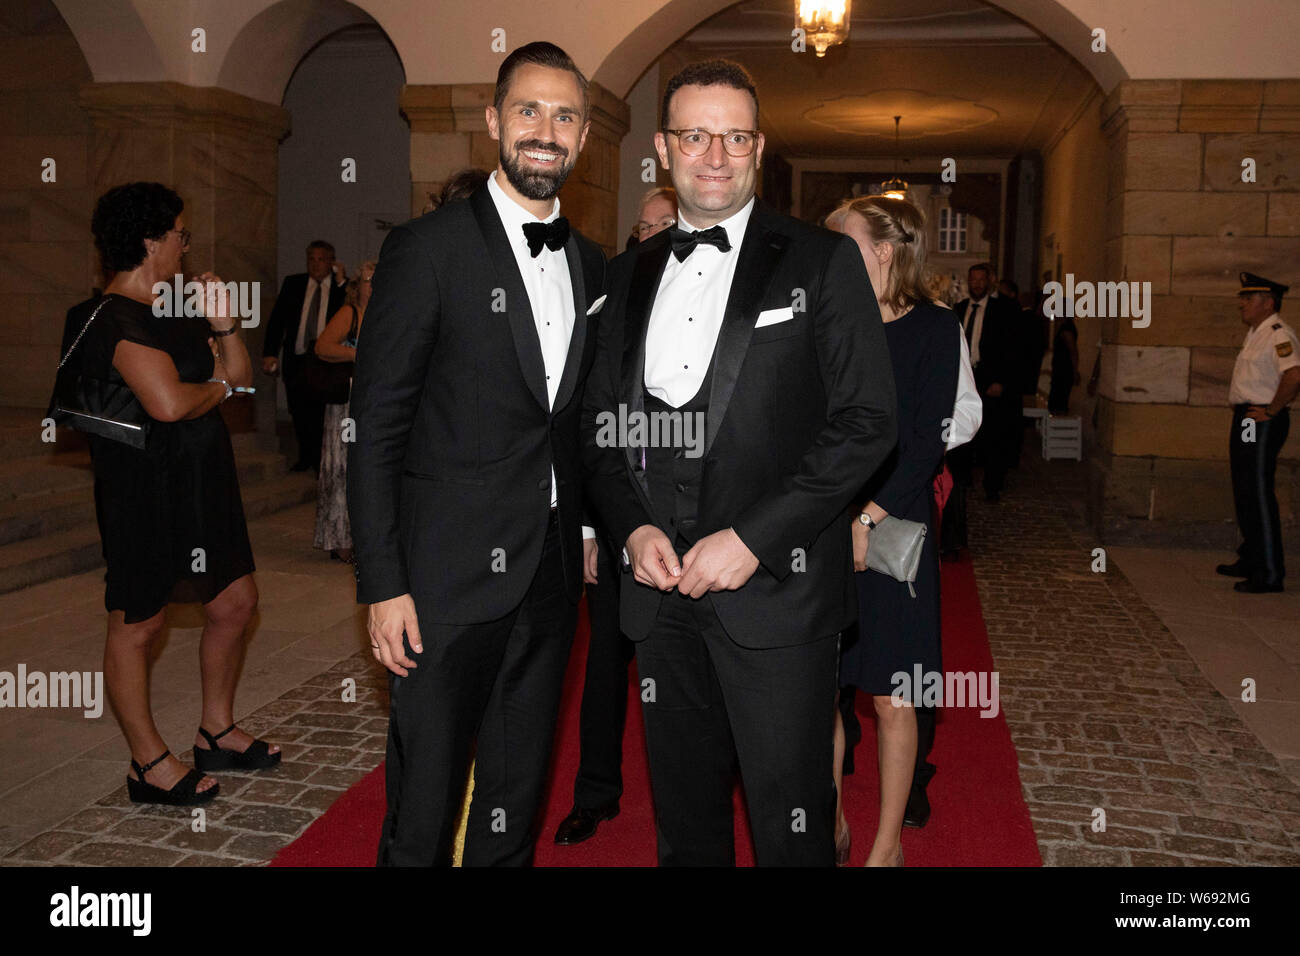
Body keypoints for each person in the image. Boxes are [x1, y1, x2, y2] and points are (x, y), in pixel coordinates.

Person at [582, 59, 897, 866]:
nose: (714, 155)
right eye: (695, 134)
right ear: (663, 146)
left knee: (790, 822)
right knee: (685, 825)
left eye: (735, 136)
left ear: (759, 145)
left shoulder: (821, 262)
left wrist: (753, 537)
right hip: (659, 600)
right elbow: (602, 426)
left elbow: (867, 423)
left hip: (779, 592)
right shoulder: (624, 276)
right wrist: (631, 527)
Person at [349, 41, 604, 867]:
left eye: (564, 115)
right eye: (528, 110)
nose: (545, 131)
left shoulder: (589, 261)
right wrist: (383, 584)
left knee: (515, 796)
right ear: (494, 121)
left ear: (584, 137)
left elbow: (577, 423)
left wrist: (594, 530)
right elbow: (376, 426)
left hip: (552, 579)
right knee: (422, 809)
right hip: (445, 579)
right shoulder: (428, 249)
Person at [60, 182, 278, 806]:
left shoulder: (175, 309)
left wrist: (225, 324)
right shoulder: (105, 319)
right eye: (180, 233)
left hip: (204, 479)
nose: (187, 244)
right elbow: (168, 403)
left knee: (235, 602)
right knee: (139, 621)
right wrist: (212, 386)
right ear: (152, 241)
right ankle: (148, 762)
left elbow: (237, 380)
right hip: (143, 491)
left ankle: (216, 728)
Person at [826, 196, 959, 866]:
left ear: (882, 250)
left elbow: (927, 441)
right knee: (826, 688)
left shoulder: (935, 329)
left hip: (896, 526)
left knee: (896, 695)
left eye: (842, 240)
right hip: (827, 523)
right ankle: (836, 825)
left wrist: (866, 519)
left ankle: (886, 846)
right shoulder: (832, 322)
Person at [552, 186, 681, 848]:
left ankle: (689, 810)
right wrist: (583, 528)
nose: (654, 234)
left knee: (684, 680)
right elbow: (580, 420)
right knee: (605, 666)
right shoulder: (609, 305)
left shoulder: (707, 305)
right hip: (612, 517)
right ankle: (596, 794)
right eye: (644, 225)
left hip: (692, 528)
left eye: (667, 224)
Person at [1217, 272, 1300, 594]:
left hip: (1261, 419)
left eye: (1248, 299)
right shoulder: (1257, 333)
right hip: (1248, 418)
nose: (1242, 304)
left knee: (1257, 490)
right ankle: (1251, 556)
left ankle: (1268, 571)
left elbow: (1293, 375)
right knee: (1244, 486)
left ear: (1269, 302)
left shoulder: (1279, 334)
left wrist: (1272, 410)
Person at [262, 240, 347, 472]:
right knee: (299, 411)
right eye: (311, 258)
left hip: (326, 362)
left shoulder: (341, 288)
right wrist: (270, 352)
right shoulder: (294, 284)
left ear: (331, 262)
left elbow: (351, 313)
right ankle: (305, 456)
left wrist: (342, 282)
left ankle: (322, 461)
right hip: (298, 358)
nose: (316, 264)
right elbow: (277, 321)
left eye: (321, 259)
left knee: (322, 412)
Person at [313, 260, 375, 563]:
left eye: (378, 280)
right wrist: (359, 353)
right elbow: (322, 347)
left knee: (367, 470)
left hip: (375, 404)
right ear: (357, 286)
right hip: (346, 404)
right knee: (341, 469)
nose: (373, 286)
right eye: (367, 280)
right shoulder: (349, 313)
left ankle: (363, 535)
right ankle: (339, 537)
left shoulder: (387, 315)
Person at [953, 263, 1017, 502]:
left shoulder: (1004, 310)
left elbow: (1012, 350)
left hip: (990, 380)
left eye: (981, 280)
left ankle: (992, 486)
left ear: (989, 282)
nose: (977, 284)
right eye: (973, 280)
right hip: (963, 379)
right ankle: (961, 481)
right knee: (961, 431)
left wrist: (1001, 380)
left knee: (993, 435)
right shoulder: (958, 309)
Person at [1048, 307, 1079, 414]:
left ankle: (1058, 426)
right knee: (1057, 402)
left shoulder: (1067, 329)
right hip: (1061, 370)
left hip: (1063, 371)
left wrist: (1075, 372)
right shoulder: (1063, 327)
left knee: (1058, 403)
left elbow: (1073, 352)